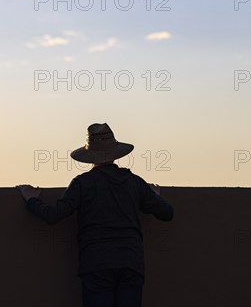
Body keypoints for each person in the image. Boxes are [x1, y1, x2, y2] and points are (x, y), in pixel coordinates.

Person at [16, 123, 174, 307]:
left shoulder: (83, 183)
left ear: (90, 157)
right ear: (115, 153)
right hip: (131, 262)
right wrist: (153, 196)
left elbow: (54, 215)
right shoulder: (135, 183)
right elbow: (167, 213)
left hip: (96, 263)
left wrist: (31, 200)